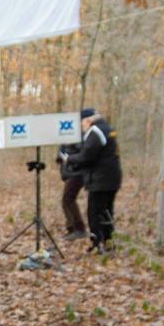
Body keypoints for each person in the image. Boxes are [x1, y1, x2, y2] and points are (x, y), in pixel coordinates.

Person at [66, 108, 121, 253]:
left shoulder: (96, 131)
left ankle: (97, 244)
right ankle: (108, 243)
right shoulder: (107, 128)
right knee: (106, 212)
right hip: (111, 179)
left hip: (101, 180)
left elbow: (87, 155)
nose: (81, 127)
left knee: (94, 213)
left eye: (81, 123)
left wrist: (69, 159)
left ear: (87, 120)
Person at [56, 137, 87, 240]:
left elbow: (82, 154)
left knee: (68, 199)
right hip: (69, 173)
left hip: (77, 173)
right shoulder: (63, 136)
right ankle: (72, 229)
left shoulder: (77, 136)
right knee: (66, 201)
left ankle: (79, 229)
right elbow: (61, 154)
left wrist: (71, 161)